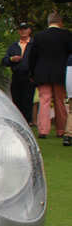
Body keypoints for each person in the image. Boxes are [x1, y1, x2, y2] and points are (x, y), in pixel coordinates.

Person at [27, 11, 72, 139]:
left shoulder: (39, 36)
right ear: (60, 22)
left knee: (44, 100)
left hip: (42, 73)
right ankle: (61, 129)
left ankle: (43, 130)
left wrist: (32, 72)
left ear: (49, 22)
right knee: (60, 101)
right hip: (60, 72)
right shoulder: (66, 35)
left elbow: (32, 57)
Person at [2, 22, 35, 124]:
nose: (23, 31)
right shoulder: (14, 46)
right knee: (16, 99)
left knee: (28, 100)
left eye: (25, 29)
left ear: (29, 30)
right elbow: (4, 60)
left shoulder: (34, 45)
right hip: (16, 76)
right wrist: (12, 59)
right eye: (21, 29)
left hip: (29, 76)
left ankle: (27, 121)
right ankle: (18, 121)